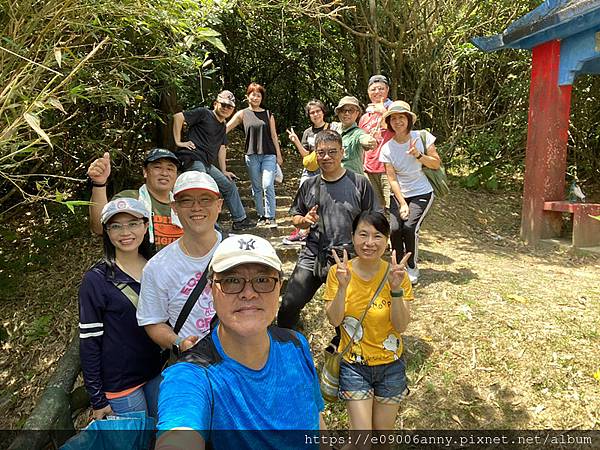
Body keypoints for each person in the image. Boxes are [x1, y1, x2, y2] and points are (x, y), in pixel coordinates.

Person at [155, 234, 324, 450]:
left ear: (279, 286)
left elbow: (316, 422)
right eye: (232, 280)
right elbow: (179, 434)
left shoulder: (296, 345)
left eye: (262, 280)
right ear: (211, 289)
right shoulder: (194, 375)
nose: (248, 293)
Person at [277, 129, 382, 330]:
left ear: (342, 152)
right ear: (315, 154)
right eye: (321, 152)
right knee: (289, 305)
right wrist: (305, 221)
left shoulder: (359, 183)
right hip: (314, 255)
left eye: (332, 152)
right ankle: (286, 345)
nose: (326, 157)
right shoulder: (309, 185)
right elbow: (295, 217)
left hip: (348, 258)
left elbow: (374, 222)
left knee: (351, 315)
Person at [323, 211, 413, 431]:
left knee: (383, 441)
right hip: (354, 367)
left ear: (387, 240)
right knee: (362, 441)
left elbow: (401, 326)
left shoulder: (398, 275)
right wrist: (343, 286)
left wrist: (396, 289)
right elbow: (334, 319)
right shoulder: (338, 272)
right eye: (363, 234)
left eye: (377, 236)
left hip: (391, 365)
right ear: (353, 236)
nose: (369, 242)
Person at [79, 198, 162, 420]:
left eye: (133, 223)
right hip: (121, 383)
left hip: (157, 371)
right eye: (116, 226)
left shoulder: (157, 266)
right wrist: (97, 397)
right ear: (106, 231)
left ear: (146, 225)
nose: (125, 232)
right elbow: (89, 341)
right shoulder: (96, 280)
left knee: (159, 435)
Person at [137, 171, 223, 356]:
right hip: (194, 362)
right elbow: (152, 321)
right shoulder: (157, 267)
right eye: (186, 201)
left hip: (243, 355)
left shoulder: (240, 251)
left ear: (219, 205)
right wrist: (179, 343)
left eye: (205, 199)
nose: (196, 207)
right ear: (174, 207)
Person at [172, 90, 255, 231]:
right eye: (223, 104)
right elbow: (178, 117)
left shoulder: (223, 126)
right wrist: (179, 142)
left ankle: (240, 219)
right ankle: (211, 227)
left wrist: (224, 171)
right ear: (215, 103)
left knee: (229, 185)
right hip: (194, 159)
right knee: (204, 187)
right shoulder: (204, 113)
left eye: (229, 106)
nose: (225, 108)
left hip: (207, 164)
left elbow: (222, 148)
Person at [379, 101, 441, 285]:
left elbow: (436, 164)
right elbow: (392, 179)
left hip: (422, 191)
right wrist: (402, 203)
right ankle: (398, 266)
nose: (398, 121)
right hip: (399, 194)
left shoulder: (422, 137)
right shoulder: (387, 148)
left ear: (408, 119)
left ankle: (412, 266)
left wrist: (418, 155)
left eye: (401, 117)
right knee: (395, 230)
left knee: (410, 228)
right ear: (389, 122)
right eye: (394, 118)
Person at [87, 148, 183, 252]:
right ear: (145, 172)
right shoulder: (129, 200)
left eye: (170, 169)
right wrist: (99, 184)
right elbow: (99, 228)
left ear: (176, 175)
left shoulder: (184, 205)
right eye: (157, 167)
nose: (164, 173)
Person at [227, 82, 284, 228]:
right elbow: (225, 128)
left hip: (268, 154)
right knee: (257, 187)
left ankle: (271, 217)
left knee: (267, 184)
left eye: (259, 95)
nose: (256, 97)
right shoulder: (243, 114)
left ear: (262, 98)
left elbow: (273, 135)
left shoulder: (267, 114)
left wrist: (279, 154)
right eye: (253, 94)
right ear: (248, 96)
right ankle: (261, 215)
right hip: (251, 155)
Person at [284, 99, 330, 245]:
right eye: (312, 112)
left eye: (318, 111)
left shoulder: (331, 128)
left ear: (323, 112)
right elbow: (305, 155)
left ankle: (316, 230)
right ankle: (302, 230)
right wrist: (296, 140)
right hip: (309, 169)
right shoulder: (307, 132)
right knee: (303, 197)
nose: (315, 114)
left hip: (324, 168)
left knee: (322, 199)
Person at [359, 75, 394, 210]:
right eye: (373, 89)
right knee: (375, 209)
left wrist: (384, 112)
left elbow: (400, 130)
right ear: (368, 92)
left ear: (387, 90)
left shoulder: (394, 110)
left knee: (393, 207)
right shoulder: (364, 117)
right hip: (369, 169)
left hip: (388, 168)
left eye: (381, 89)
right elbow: (361, 143)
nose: (377, 92)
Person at [331, 96, 376, 176]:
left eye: (351, 110)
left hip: (353, 181)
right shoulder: (334, 130)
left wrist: (369, 142)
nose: (347, 113)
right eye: (343, 110)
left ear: (357, 113)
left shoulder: (358, 133)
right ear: (338, 113)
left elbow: (363, 138)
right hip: (335, 179)